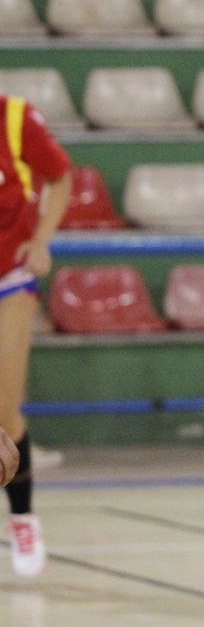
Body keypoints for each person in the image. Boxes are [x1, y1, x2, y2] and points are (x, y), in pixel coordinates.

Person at [0, 94, 72, 578]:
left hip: (11, 276)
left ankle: (22, 516)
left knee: (4, 408)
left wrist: (42, 239)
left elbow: (61, 177)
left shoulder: (14, 117)